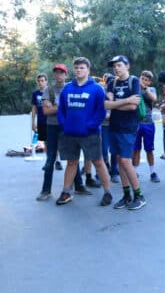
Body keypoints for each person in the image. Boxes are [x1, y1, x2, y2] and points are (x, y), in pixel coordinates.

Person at [56, 57, 112, 206]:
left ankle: (107, 193)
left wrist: (90, 126)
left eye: (82, 67)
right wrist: (65, 125)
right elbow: (61, 110)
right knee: (71, 162)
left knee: (98, 162)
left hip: (90, 133)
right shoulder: (67, 88)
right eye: (76, 68)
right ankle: (66, 192)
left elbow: (101, 112)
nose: (78, 70)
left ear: (88, 70)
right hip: (69, 134)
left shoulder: (97, 88)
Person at [36, 64, 91, 201]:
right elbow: (46, 111)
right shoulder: (49, 90)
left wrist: (55, 105)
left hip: (68, 127)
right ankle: (46, 190)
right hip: (52, 127)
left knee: (73, 158)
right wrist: (64, 106)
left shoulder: (71, 88)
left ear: (66, 75)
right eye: (56, 72)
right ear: (54, 75)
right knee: (50, 158)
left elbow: (75, 107)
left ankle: (78, 186)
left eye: (62, 72)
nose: (59, 75)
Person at [105, 55, 146, 210]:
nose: (116, 68)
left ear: (127, 66)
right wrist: (125, 101)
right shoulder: (111, 82)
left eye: (119, 65)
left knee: (125, 161)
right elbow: (106, 105)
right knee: (119, 160)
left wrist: (115, 104)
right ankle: (126, 195)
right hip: (114, 126)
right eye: (114, 66)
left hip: (128, 127)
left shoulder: (134, 81)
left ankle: (139, 195)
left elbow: (133, 107)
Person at [132, 70, 160, 183]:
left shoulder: (151, 89)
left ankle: (152, 172)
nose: (144, 81)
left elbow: (154, 99)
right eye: (142, 78)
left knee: (149, 149)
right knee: (136, 149)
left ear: (149, 82)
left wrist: (145, 88)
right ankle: (134, 171)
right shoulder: (134, 88)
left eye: (146, 80)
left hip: (148, 123)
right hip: (136, 123)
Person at [32, 73, 48, 148]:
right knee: (44, 141)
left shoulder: (51, 92)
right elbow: (34, 108)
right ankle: (49, 159)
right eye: (39, 81)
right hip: (41, 121)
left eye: (42, 80)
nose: (40, 82)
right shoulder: (35, 93)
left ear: (46, 81)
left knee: (53, 140)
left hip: (50, 121)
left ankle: (56, 159)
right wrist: (33, 122)